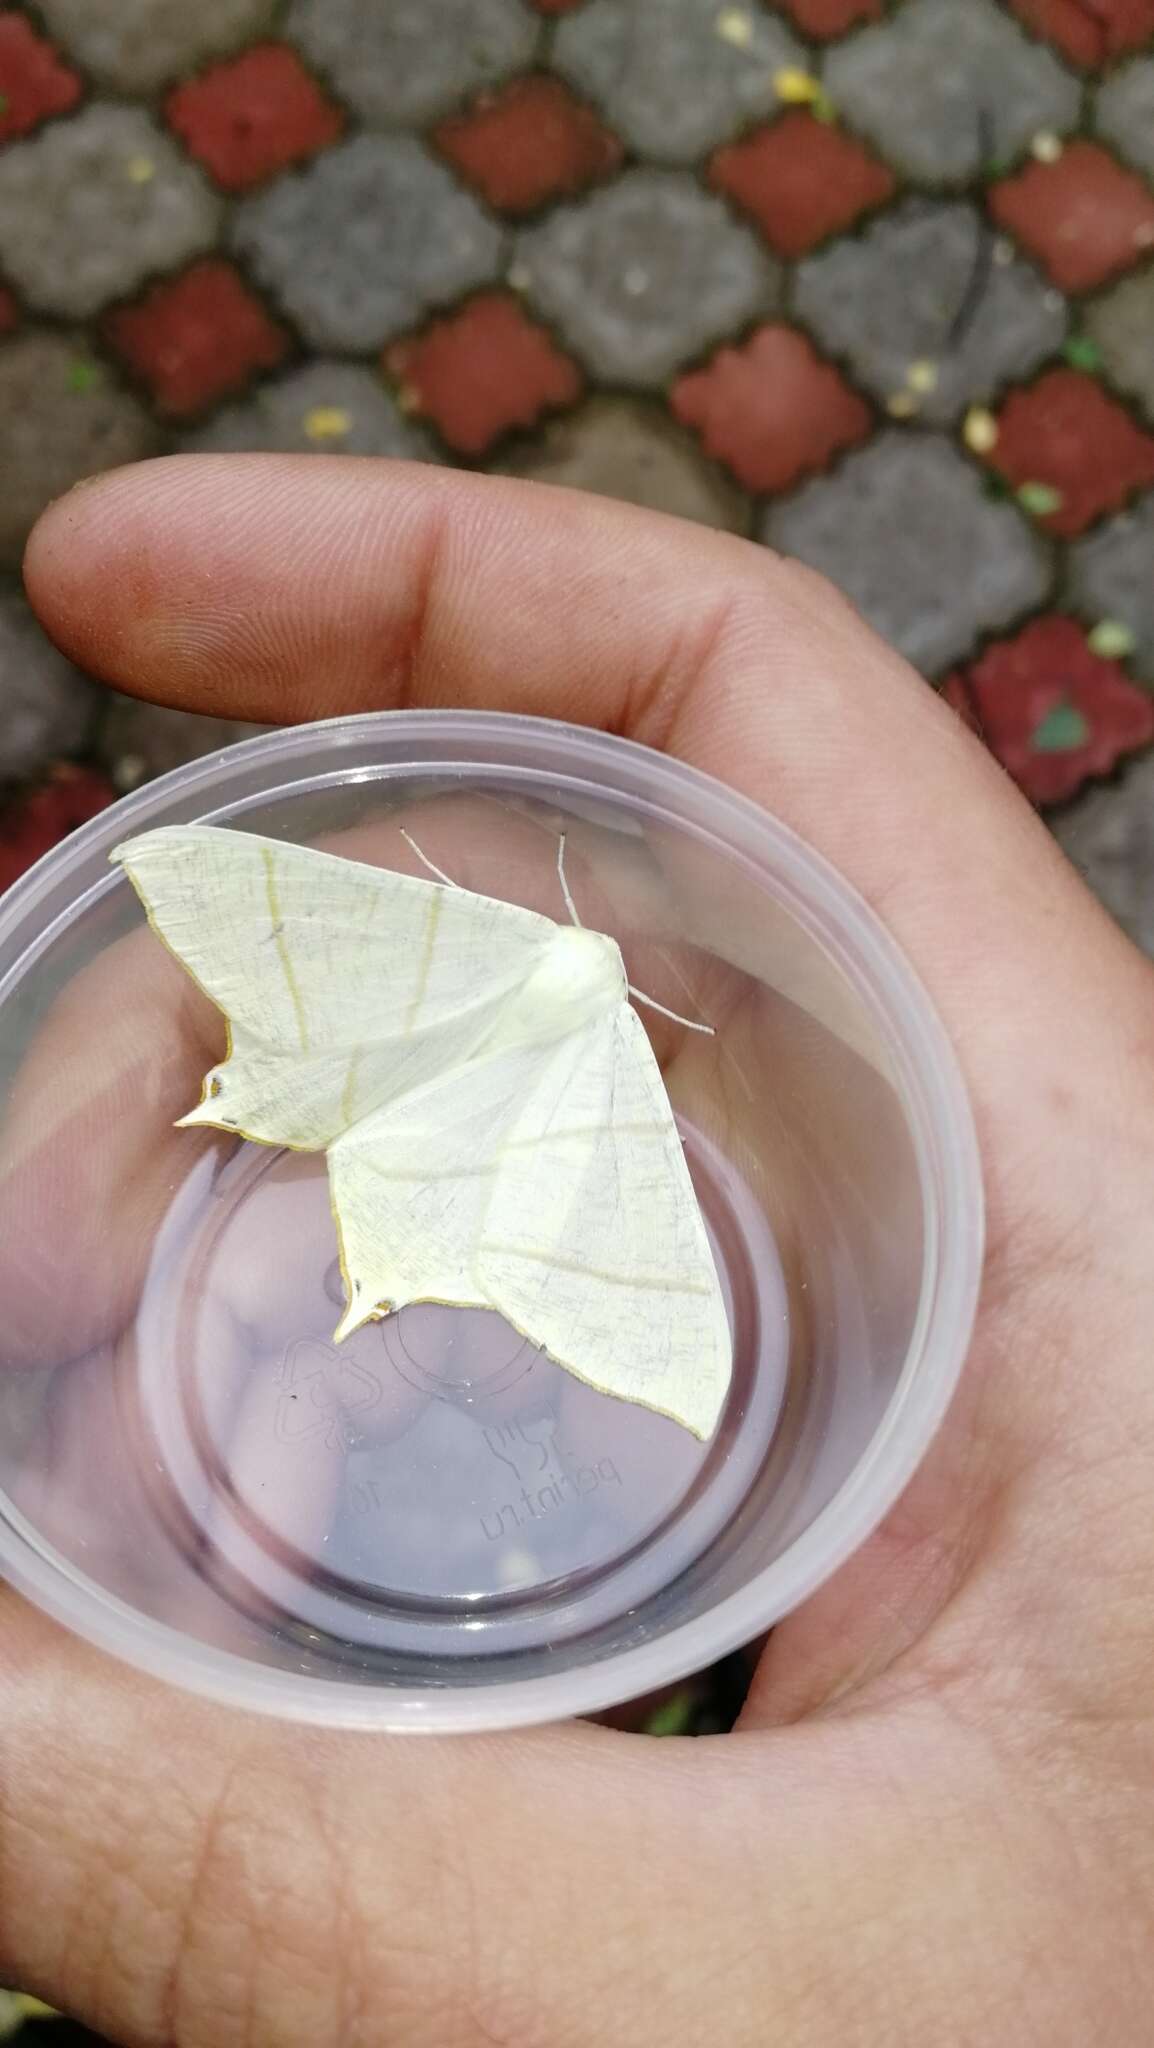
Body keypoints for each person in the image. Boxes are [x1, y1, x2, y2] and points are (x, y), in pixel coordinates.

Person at [3, 454, 1152, 2046]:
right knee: (352, 1162)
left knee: (311, 1121)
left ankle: (315, 1141)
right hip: (428, 1123)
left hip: (386, 1075)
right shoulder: (603, 1039)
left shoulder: (566, 991)